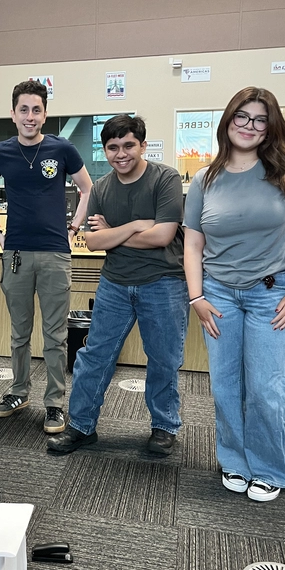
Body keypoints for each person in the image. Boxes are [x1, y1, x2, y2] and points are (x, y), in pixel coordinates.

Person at [184, 87, 285, 502]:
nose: (250, 126)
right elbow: (193, 243)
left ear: (271, 126)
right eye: (242, 117)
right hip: (219, 296)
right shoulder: (206, 179)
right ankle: (235, 461)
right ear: (228, 120)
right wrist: (196, 298)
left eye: (261, 120)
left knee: (266, 388)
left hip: (273, 294)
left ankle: (270, 468)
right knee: (226, 385)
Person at [48, 114, 188, 455]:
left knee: (163, 359)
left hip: (164, 282)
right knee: (94, 356)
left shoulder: (165, 178)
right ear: (105, 150)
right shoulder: (101, 188)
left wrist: (114, 232)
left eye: (128, 145)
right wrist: (137, 225)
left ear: (142, 144)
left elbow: (162, 236)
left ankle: (163, 426)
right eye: (112, 147)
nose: (120, 153)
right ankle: (81, 426)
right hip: (115, 284)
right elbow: (93, 243)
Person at [0, 80, 92, 434]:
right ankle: (18, 391)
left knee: (55, 335)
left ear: (45, 114)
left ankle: (55, 403)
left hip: (56, 252)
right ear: (13, 114)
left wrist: (74, 227)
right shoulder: (1, 152)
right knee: (19, 332)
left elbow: (88, 188)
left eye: (37, 110)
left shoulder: (62, 149)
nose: (30, 117)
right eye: (23, 110)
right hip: (15, 253)